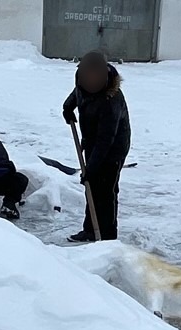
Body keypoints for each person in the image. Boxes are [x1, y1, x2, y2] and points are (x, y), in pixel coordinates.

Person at [61, 51, 132, 243]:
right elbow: (78, 94)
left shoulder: (111, 98)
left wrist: (91, 169)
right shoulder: (83, 82)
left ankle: (107, 236)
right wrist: (67, 108)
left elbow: (106, 140)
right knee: (92, 187)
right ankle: (90, 230)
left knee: (106, 189)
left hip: (113, 147)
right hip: (93, 140)